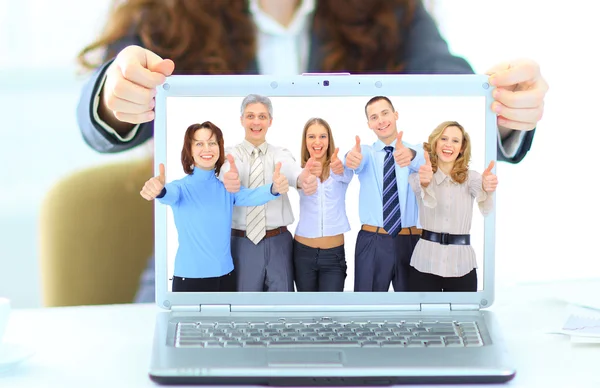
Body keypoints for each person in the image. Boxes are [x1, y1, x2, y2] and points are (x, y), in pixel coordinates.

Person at [76, 0, 548, 301]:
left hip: (304, 248)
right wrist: (115, 97)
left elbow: (447, 79)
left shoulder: (392, 10)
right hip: (201, 262)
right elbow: (101, 106)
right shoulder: (165, 10)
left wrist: (500, 112)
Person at [139, 121, 289, 292]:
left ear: (219, 147)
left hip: (225, 278)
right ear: (190, 150)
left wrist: (274, 188)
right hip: (189, 280)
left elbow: (250, 196)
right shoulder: (180, 188)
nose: (207, 149)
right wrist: (158, 190)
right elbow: (167, 193)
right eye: (199, 144)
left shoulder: (225, 189)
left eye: (212, 143)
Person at [218, 94, 318, 292]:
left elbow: (290, 169)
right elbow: (226, 172)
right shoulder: (229, 155)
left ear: (270, 121)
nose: (256, 122)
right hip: (241, 242)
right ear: (241, 120)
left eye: (262, 116)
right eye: (250, 116)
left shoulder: (280, 153)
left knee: (282, 307)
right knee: (245, 306)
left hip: (278, 243)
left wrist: (301, 179)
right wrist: (228, 179)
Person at [345, 96, 425, 291]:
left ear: (395, 115)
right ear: (369, 124)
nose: (380, 120)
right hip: (373, 241)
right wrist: (351, 158)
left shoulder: (416, 150)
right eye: (374, 117)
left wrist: (410, 155)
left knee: (412, 308)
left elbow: (422, 158)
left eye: (385, 113)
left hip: (411, 240)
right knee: (367, 308)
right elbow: (354, 157)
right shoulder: (367, 153)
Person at [407, 120, 497, 292]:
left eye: (455, 141)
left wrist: (487, 187)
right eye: (444, 139)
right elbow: (425, 196)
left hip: (462, 264)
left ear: (462, 148)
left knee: (462, 316)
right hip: (425, 263)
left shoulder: (472, 178)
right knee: (424, 318)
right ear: (435, 143)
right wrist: (425, 183)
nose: (449, 145)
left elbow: (484, 202)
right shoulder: (419, 177)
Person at [293, 118, 353, 292]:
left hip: (333, 255)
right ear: (305, 141)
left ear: (329, 140)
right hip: (303, 253)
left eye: (322, 136)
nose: (317, 142)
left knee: (331, 313)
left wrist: (340, 167)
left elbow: (348, 170)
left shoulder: (339, 170)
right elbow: (296, 180)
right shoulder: (299, 171)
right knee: (306, 312)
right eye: (311, 136)